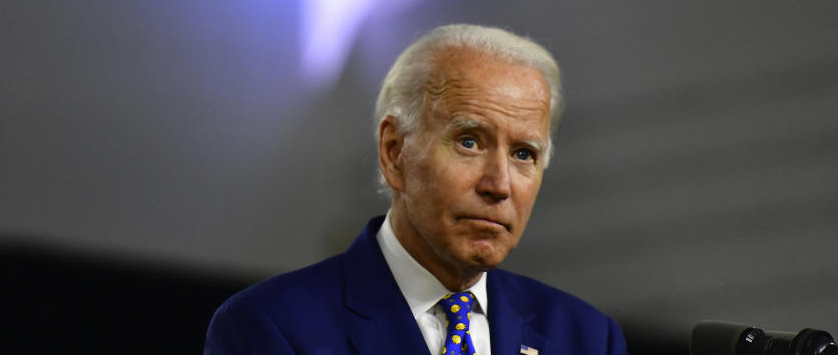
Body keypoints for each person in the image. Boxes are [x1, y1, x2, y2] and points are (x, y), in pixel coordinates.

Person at [205, 24, 629, 354]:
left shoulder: (587, 339)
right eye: (469, 142)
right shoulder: (273, 327)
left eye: (524, 154)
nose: (499, 185)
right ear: (394, 153)